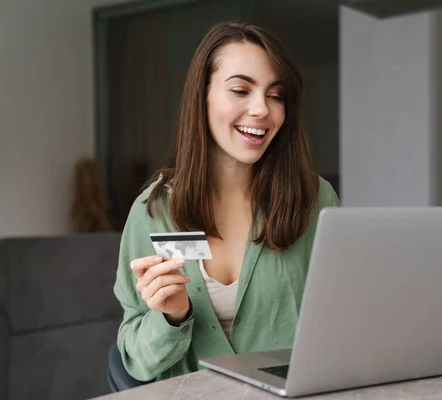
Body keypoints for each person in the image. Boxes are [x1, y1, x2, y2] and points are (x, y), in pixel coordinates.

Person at [113, 19, 340, 383]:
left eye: (275, 95)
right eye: (240, 90)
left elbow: (343, 322)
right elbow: (134, 361)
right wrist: (171, 317)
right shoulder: (154, 211)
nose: (261, 109)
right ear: (201, 95)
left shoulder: (315, 199)